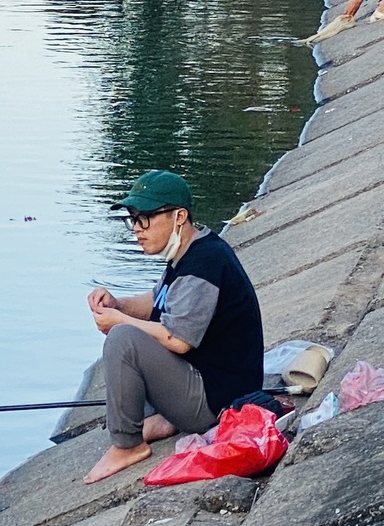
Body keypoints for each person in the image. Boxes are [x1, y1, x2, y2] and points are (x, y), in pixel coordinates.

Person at [80, 170, 266, 483]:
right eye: (133, 219)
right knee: (128, 329)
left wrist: (120, 321)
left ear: (179, 216)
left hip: (217, 401)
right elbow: (157, 300)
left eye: (146, 219)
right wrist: (117, 303)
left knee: (123, 339)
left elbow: (178, 340)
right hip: (205, 381)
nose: (137, 229)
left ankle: (128, 445)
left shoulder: (204, 264)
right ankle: (167, 419)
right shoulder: (188, 251)